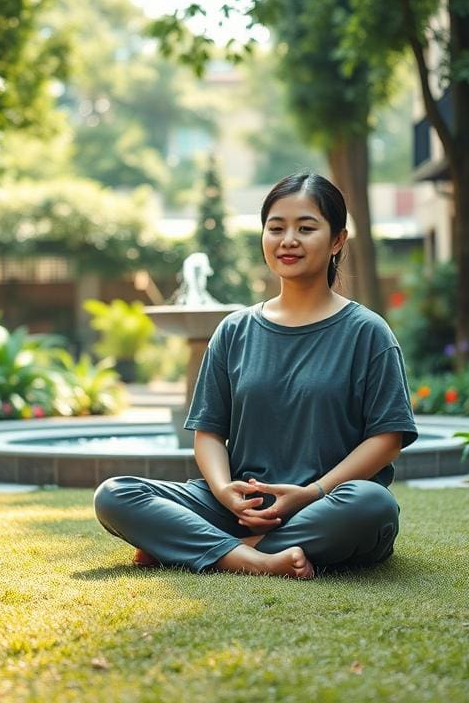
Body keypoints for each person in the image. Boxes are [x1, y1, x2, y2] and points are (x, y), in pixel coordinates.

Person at [93, 172, 418, 578]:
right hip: (238, 507)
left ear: (338, 240)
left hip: (326, 503)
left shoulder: (368, 332)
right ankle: (252, 557)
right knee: (116, 494)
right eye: (276, 228)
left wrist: (310, 493)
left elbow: (387, 439)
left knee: (373, 506)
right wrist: (225, 492)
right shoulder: (234, 330)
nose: (288, 240)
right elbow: (209, 431)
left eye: (306, 228)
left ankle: (206, 549)